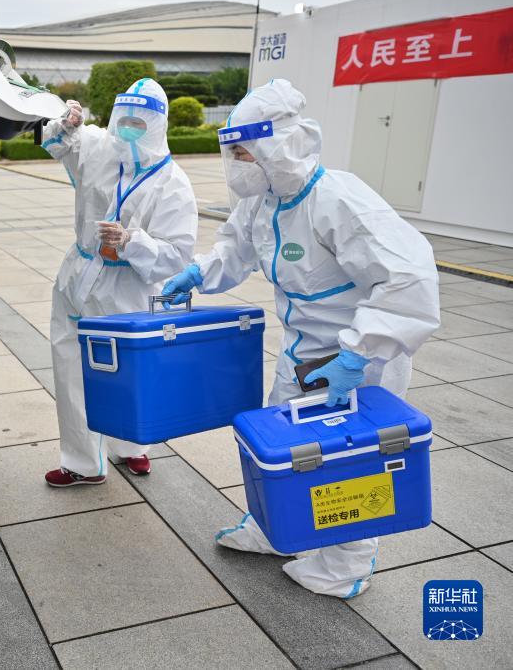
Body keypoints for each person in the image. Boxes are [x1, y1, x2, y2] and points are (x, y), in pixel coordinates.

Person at [161, 79, 440, 598]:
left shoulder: (339, 200)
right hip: (302, 354)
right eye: (234, 153)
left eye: (245, 152)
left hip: (358, 357)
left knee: (352, 458)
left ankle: (348, 563)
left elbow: (409, 278)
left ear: (280, 146)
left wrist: (358, 354)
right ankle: (278, 528)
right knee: (284, 447)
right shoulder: (262, 202)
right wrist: (199, 273)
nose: (238, 163)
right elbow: (235, 249)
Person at [40, 78, 198, 486]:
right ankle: (82, 462)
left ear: (157, 125)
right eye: (123, 119)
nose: (127, 129)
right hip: (80, 274)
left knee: (128, 373)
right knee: (71, 369)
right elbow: (55, 143)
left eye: (138, 123)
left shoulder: (172, 182)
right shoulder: (98, 147)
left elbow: (177, 253)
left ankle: (131, 446)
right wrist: (67, 124)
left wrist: (131, 242)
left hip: (127, 287)